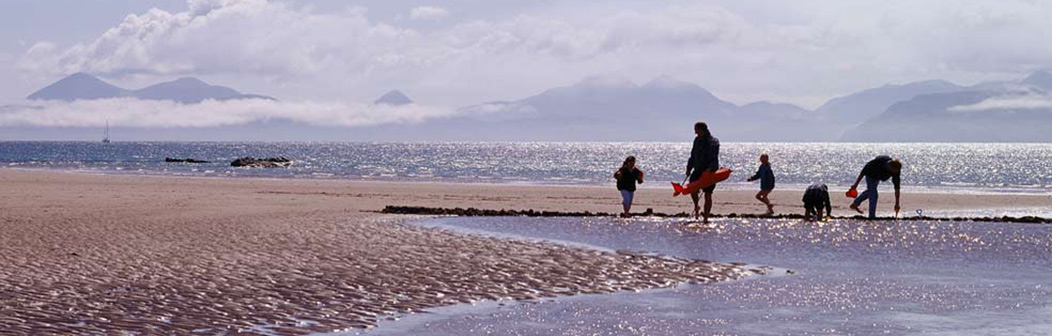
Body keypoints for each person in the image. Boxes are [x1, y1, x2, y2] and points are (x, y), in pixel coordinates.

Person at [685, 122, 720, 222]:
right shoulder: (697, 140)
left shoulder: (713, 141)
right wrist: (688, 168)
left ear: (702, 130)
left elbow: (714, 157)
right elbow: (692, 155)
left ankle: (706, 218)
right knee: (692, 189)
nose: (695, 132)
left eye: (696, 130)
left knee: (708, 194)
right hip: (697, 170)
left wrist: (709, 169)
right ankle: (696, 206)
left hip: (710, 172)